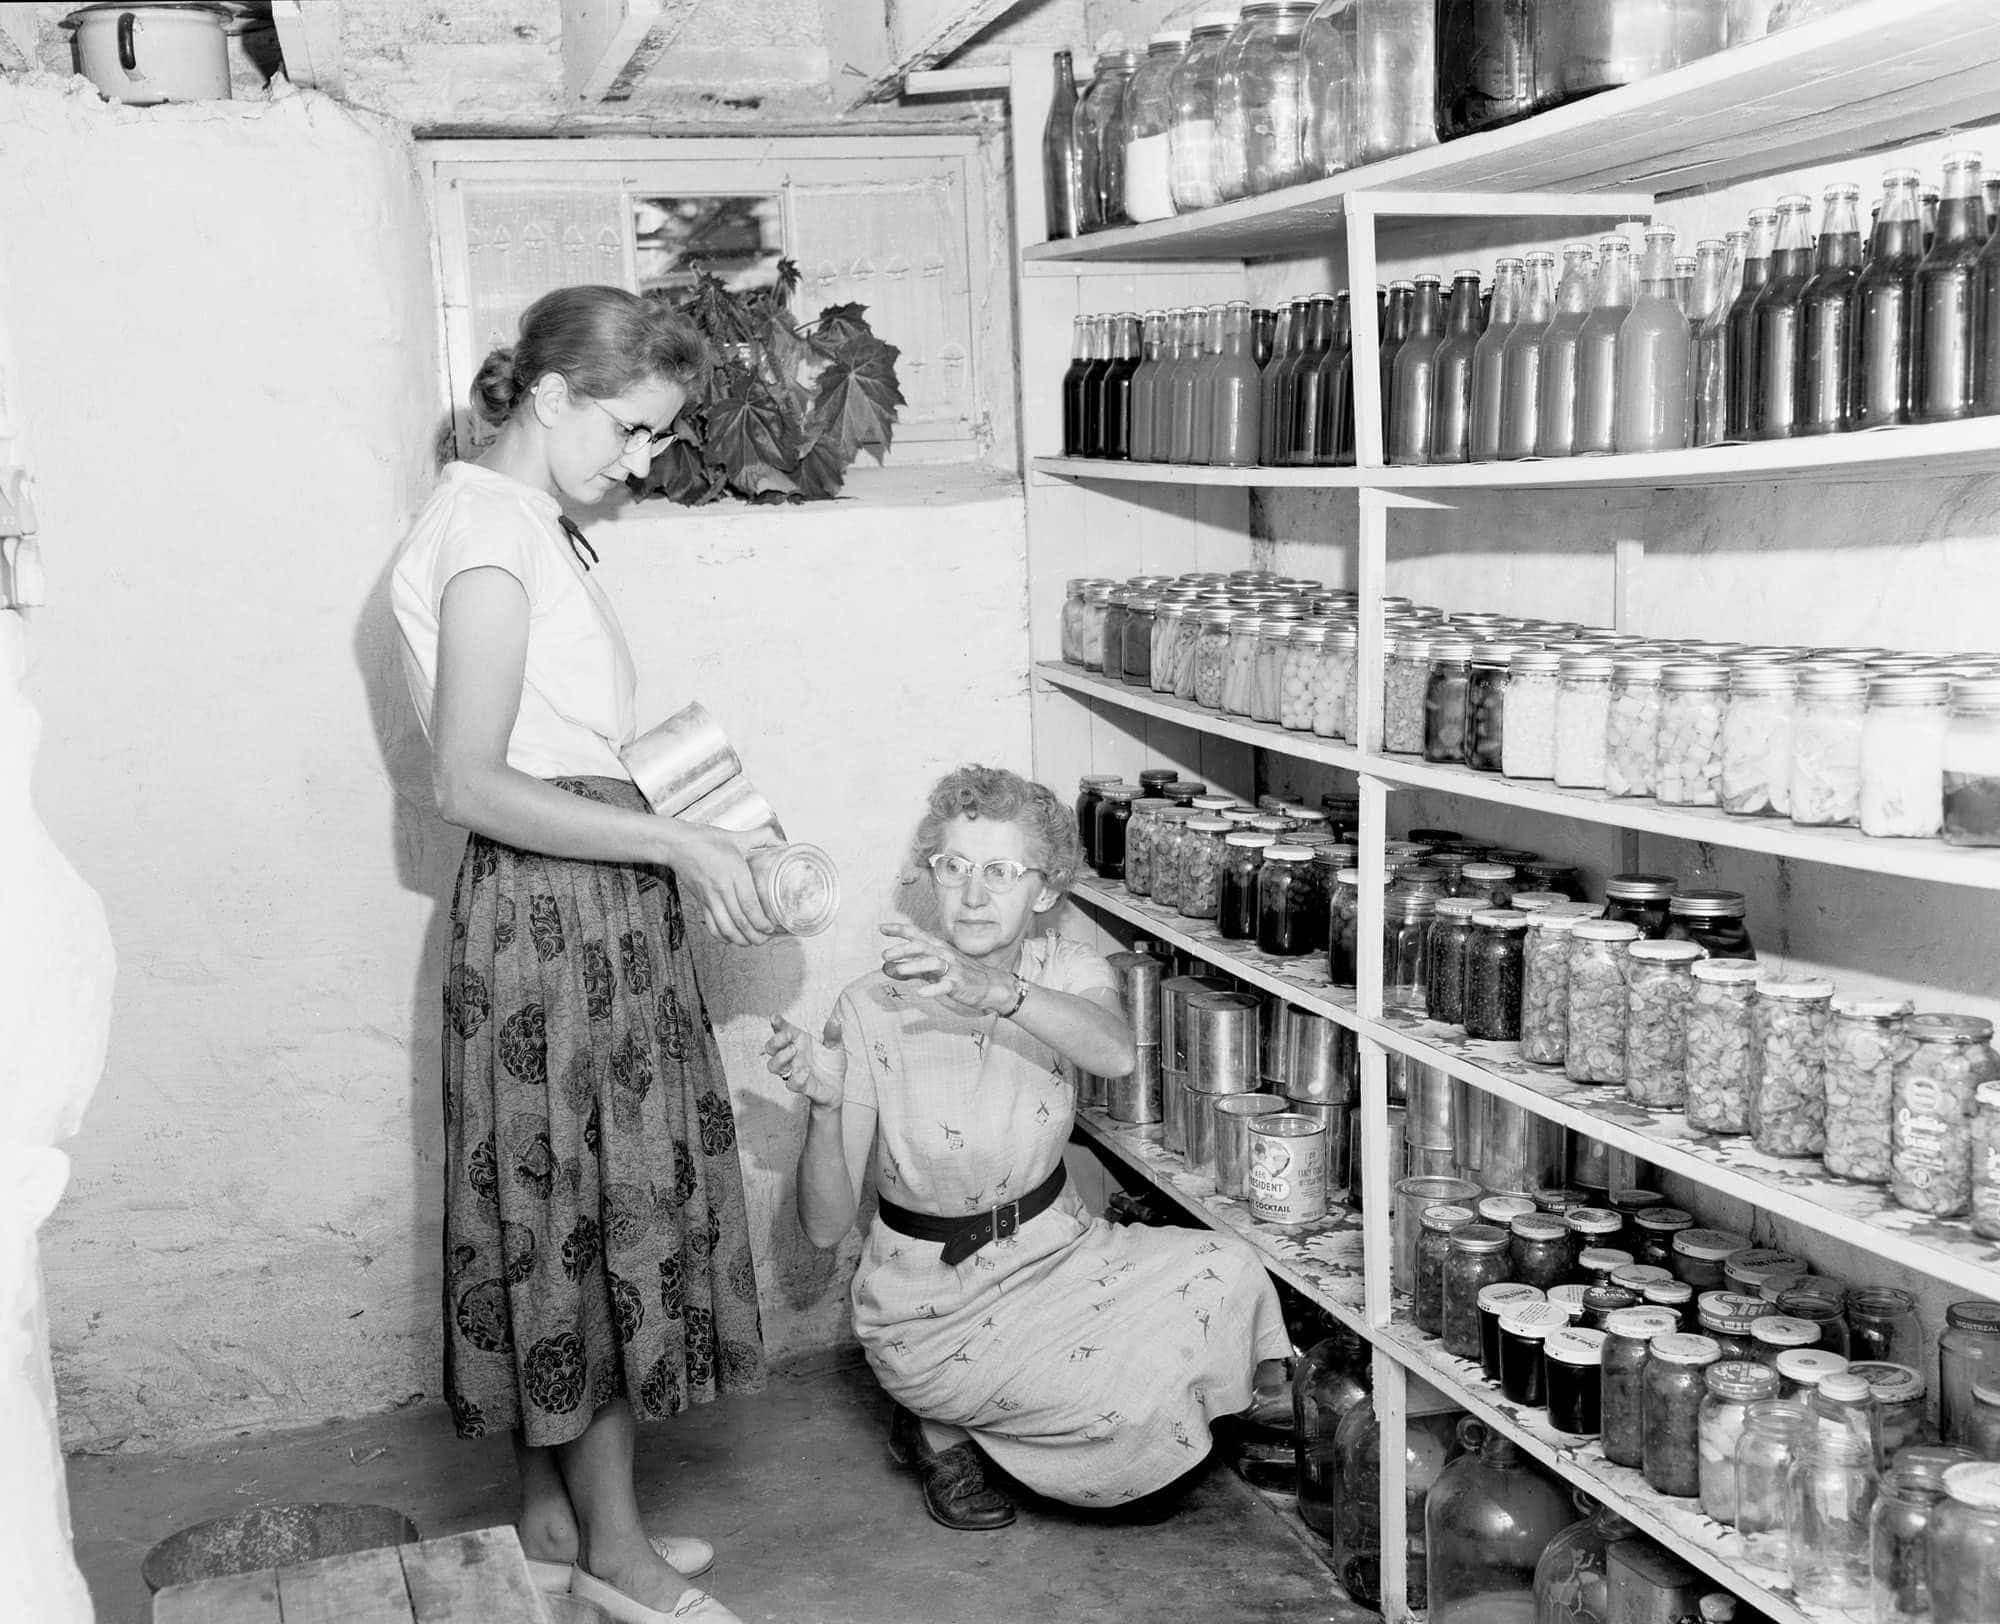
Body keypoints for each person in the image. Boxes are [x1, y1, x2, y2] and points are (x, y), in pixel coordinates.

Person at [391, 285, 769, 1624]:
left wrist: (710, 822)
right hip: (559, 916)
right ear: (551, 395)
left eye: (658, 437)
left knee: (551, 1206)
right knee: (586, 1222)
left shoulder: (518, 521)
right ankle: (616, 1552)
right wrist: (672, 846)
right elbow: (471, 781)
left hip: (576, 900)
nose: (641, 461)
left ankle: (552, 1515)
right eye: (629, 428)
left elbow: (568, 743)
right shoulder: (491, 535)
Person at [764, 765, 1292, 1531]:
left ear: (1044, 891)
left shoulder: (1065, 969)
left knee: (1234, 1268)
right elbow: (821, 1228)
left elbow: (1114, 1052)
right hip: (932, 1305)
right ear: (931, 875)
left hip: (1064, 1257)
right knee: (1128, 1415)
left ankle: (987, 1422)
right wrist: (822, 1106)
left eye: (1001, 872)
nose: (974, 895)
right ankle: (940, 1427)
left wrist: (997, 993)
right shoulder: (870, 1006)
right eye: (954, 866)